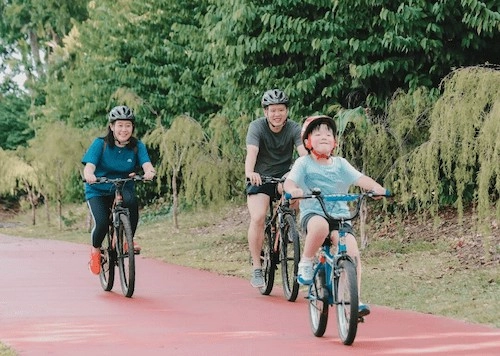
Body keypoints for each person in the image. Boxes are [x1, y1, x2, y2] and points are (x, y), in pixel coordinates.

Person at [283, 115, 387, 316]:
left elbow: (360, 178)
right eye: (318, 133)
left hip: (340, 217)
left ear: (335, 142)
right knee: (320, 227)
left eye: (328, 134)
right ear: (307, 142)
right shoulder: (303, 163)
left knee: (353, 253)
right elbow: (290, 182)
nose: (324, 136)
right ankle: (305, 261)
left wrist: (377, 188)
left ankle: (353, 302)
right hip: (313, 215)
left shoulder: (340, 164)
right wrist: (293, 190)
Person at [82, 105, 156, 275]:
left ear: (132, 127)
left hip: (123, 186)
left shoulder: (137, 146)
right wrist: (90, 175)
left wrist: (149, 172)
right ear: (112, 126)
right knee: (101, 222)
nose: (124, 129)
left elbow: (147, 165)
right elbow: (89, 167)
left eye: (128, 125)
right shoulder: (100, 144)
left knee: (131, 204)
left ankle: (124, 240)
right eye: (120, 125)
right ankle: (95, 250)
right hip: (98, 189)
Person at [245, 89, 308, 288]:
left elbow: (303, 154)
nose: (277, 114)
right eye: (272, 110)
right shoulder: (256, 127)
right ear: (266, 112)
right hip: (260, 179)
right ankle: (257, 267)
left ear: (287, 111)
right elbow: (252, 152)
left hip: (284, 178)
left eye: (281, 110)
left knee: (296, 188)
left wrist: (304, 172)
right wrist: (250, 172)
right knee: (258, 217)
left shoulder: (293, 128)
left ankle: (288, 222)